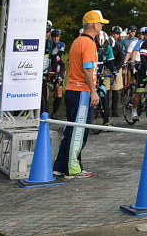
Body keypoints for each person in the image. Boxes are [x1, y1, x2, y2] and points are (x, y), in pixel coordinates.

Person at [53, 10, 107, 178]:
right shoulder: (89, 43)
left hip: (72, 89)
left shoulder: (77, 41)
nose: (101, 27)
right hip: (81, 91)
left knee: (70, 128)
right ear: (95, 25)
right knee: (79, 131)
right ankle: (73, 168)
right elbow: (88, 70)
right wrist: (93, 92)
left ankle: (60, 166)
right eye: (101, 24)